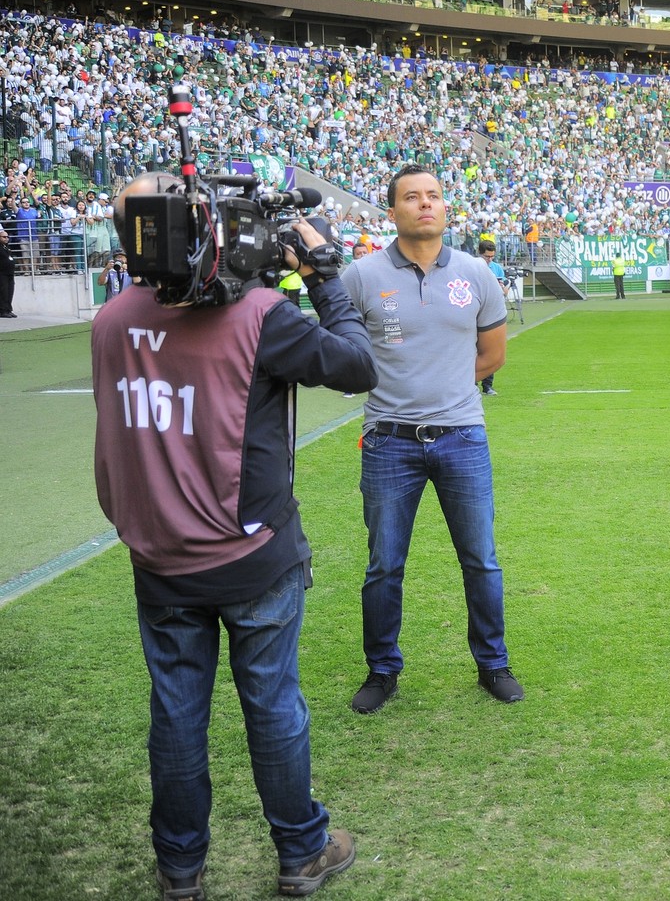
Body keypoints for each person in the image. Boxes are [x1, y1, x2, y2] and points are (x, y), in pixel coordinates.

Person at [91, 171, 375, 900]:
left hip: (159, 556)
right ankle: (301, 852)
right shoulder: (258, 315)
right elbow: (355, 364)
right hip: (252, 552)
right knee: (273, 706)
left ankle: (180, 869)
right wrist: (323, 274)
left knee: (178, 716)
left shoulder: (111, 317)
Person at [342, 165, 522, 713]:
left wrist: (441, 387)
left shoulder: (475, 273)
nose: (425, 204)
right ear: (391, 211)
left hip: (462, 437)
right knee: (384, 563)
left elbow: (492, 355)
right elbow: (341, 349)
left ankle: (493, 664)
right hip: (388, 441)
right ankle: (382, 670)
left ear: (447, 209)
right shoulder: (362, 275)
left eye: (434, 196)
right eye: (412, 197)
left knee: (481, 559)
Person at [477, 239, 507, 396]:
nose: (489, 260)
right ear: (479, 254)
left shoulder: (496, 268)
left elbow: (504, 289)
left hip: (492, 315)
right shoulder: (472, 268)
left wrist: (503, 289)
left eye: (492, 257)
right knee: (473, 350)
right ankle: (472, 384)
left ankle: (488, 386)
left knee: (490, 351)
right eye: (486, 257)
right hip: (475, 314)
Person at [0, 229, 14, 318]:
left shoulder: (6, 247)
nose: (6, 238)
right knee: (3, 292)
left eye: (7, 237)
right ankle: (2, 310)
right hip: (2, 273)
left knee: (10, 292)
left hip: (10, 273)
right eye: (4, 237)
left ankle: (8, 309)